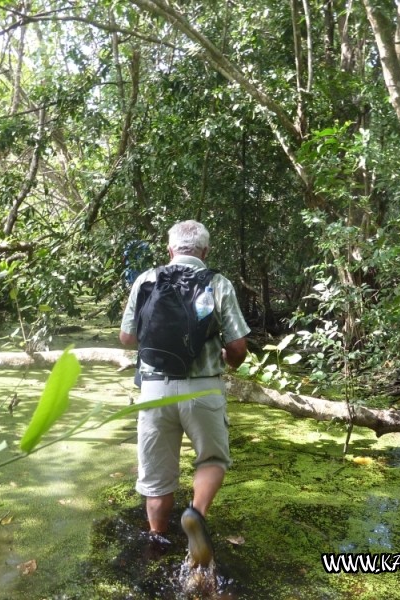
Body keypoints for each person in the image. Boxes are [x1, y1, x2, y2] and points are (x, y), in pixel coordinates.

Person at [119, 220, 249, 567]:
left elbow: (128, 338)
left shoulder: (146, 280)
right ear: (205, 252)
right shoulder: (218, 283)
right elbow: (238, 346)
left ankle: (157, 546)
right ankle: (195, 513)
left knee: (157, 477)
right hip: (203, 388)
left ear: (170, 249)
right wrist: (229, 359)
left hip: (154, 390)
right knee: (212, 460)